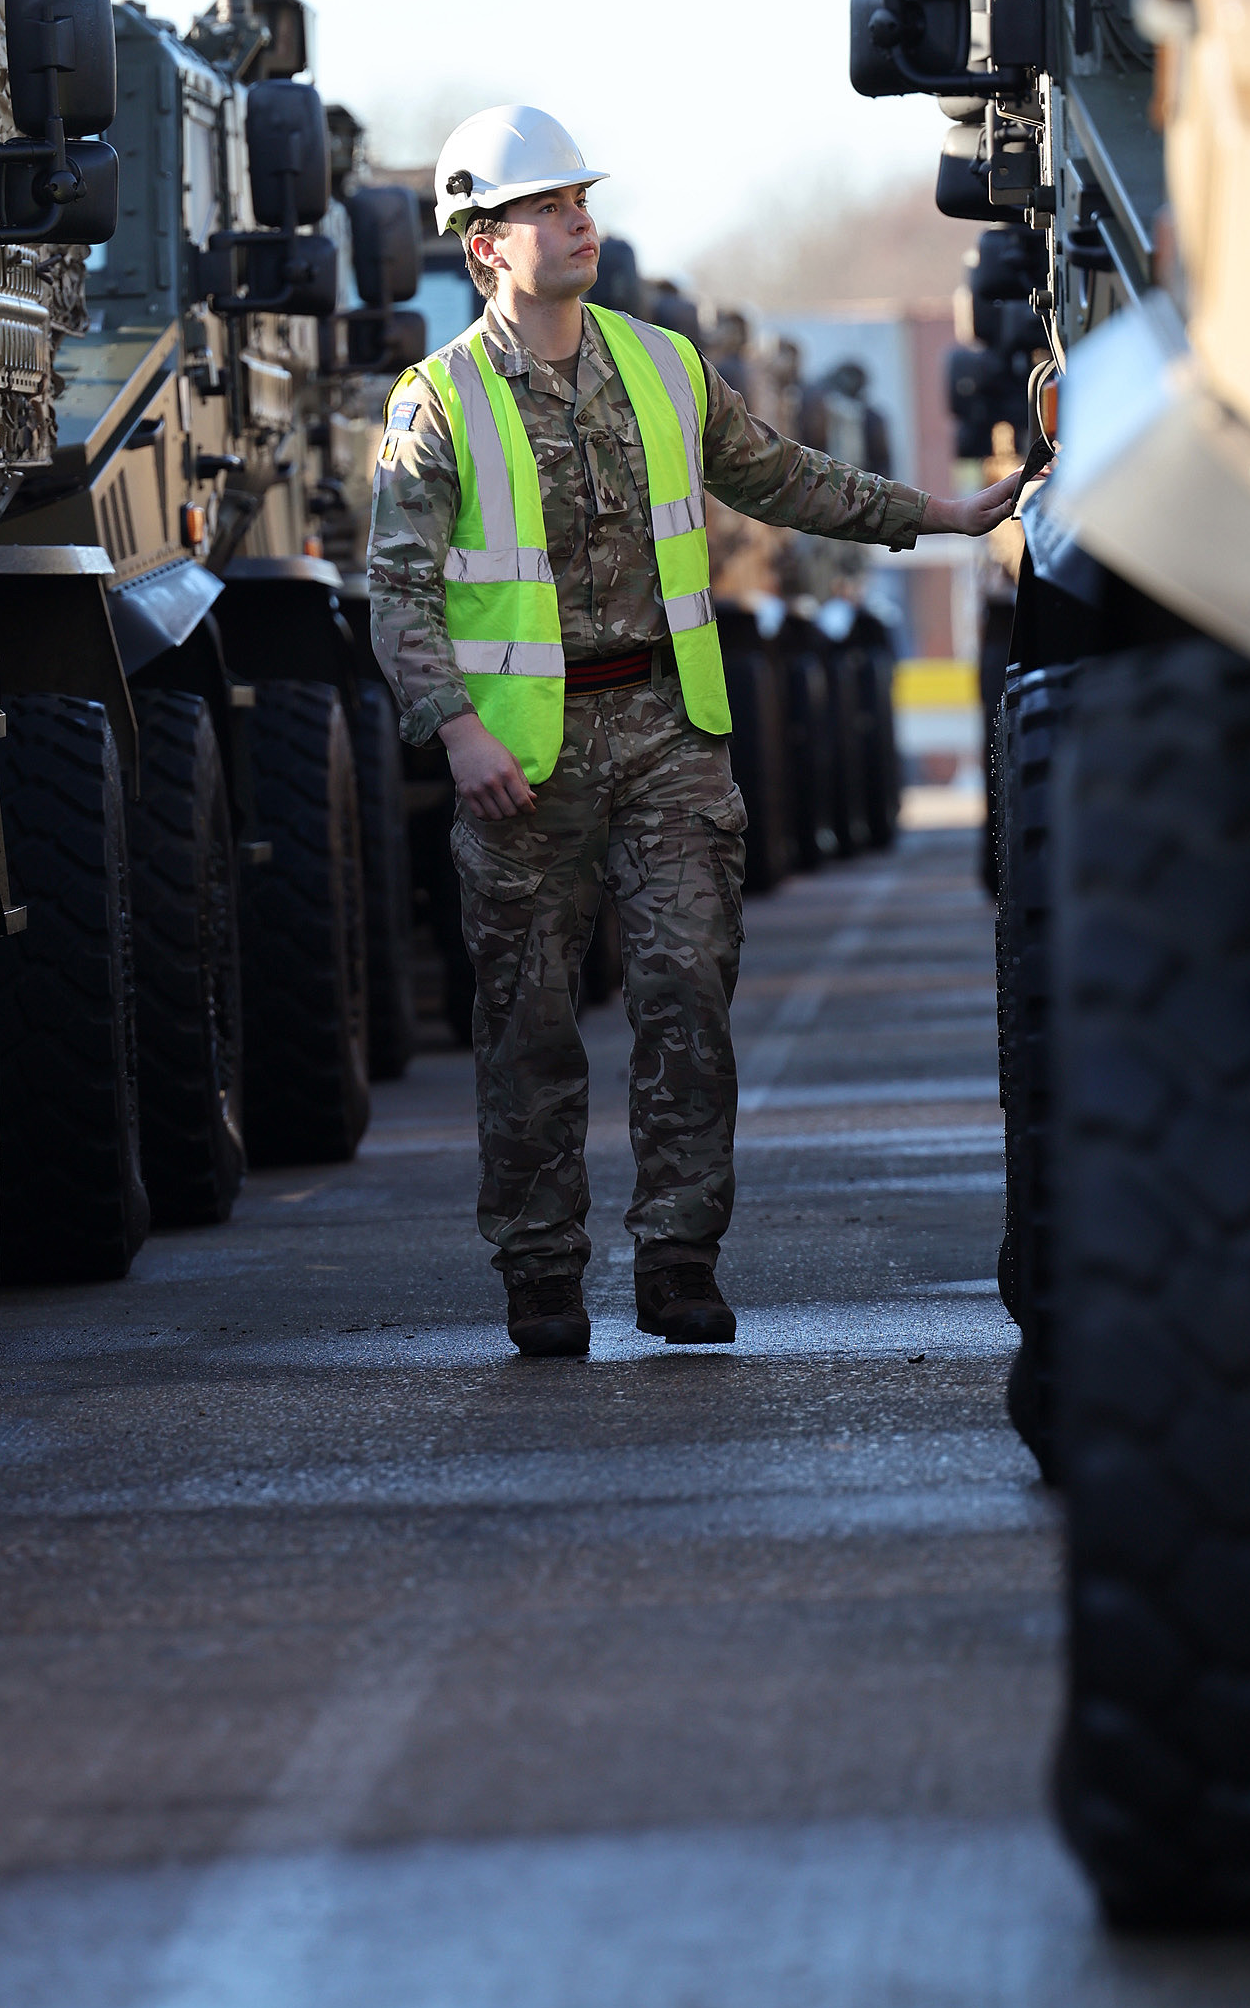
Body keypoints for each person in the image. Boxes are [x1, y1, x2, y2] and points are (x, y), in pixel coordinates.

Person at [366, 105, 1017, 1360]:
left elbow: (780, 473)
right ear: (483, 242)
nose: (575, 220)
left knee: (684, 992)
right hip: (522, 757)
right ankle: (541, 1273)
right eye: (545, 206)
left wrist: (937, 512)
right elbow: (395, 593)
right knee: (528, 1019)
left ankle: (676, 1260)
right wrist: (453, 732)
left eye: (579, 199)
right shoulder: (434, 405)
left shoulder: (662, 365)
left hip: (668, 726)